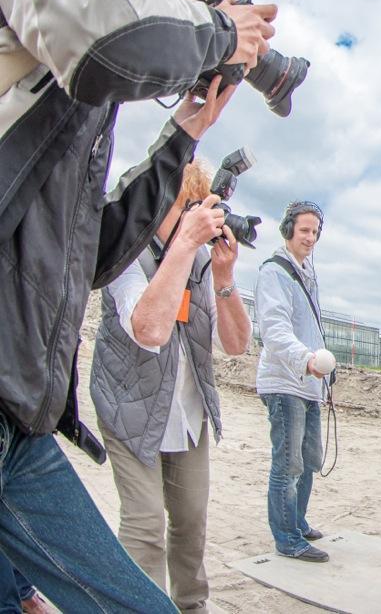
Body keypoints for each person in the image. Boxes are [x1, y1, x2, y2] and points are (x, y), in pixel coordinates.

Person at [0, 0, 274, 611]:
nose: (222, 44)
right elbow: (113, 41)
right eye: (219, 5)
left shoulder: (92, 109)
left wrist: (184, 131)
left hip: (20, 418)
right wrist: (221, 33)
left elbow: (90, 258)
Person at [90, 160, 252, 611]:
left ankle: (192, 607)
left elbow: (237, 344)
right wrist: (185, 246)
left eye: (197, 207)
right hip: (129, 408)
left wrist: (223, 277)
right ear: (158, 203)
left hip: (187, 413)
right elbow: (148, 329)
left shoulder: (201, 258)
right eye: (187, 206)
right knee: (144, 526)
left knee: (190, 523)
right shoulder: (124, 253)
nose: (195, 217)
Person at [256, 200, 332, 561]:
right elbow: (273, 330)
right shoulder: (275, 272)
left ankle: (297, 521)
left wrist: (324, 372)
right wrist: (307, 360)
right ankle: (286, 538)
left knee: (309, 458)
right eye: (304, 229)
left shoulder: (307, 275)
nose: (311, 237)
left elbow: (309, 330)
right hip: (284, 381)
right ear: (288, 229)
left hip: (309, 383)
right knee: (288, 463)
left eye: (315, 231)